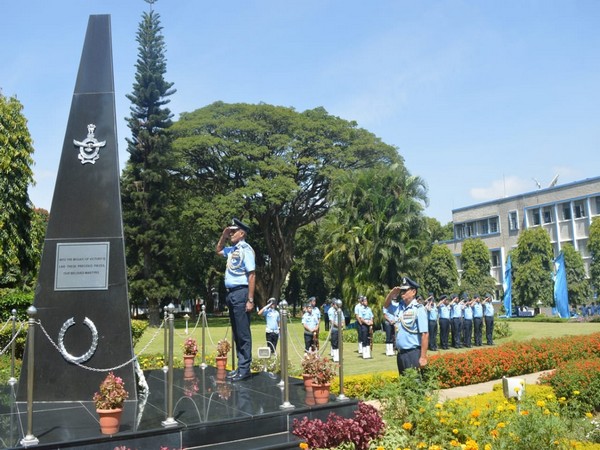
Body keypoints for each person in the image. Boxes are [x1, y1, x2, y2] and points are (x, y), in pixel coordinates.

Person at [216, 218, 255, 382]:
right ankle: (241, 367)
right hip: (231, 293)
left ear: (242, 233)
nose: (231, 233)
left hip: (241, 292)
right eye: (230, 231)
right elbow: (218, 250)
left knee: (243, 332)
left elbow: (252, 275)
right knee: (236, 332)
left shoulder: (246, 249)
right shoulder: (232, 249)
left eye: (233, 231)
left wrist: (250, 299)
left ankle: (245, 369)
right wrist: (223, 236)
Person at [384, 277, 428, 375]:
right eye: (401, 291)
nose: (402, 293)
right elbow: (386, 306)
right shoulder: (400, 307)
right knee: (404, 386)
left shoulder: (418, 309)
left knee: (414, 384)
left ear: (413, 292)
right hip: (401, 353)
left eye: (405, 290)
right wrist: (391, 294)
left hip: (412, 353)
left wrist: (423, 357)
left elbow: (424, 334)